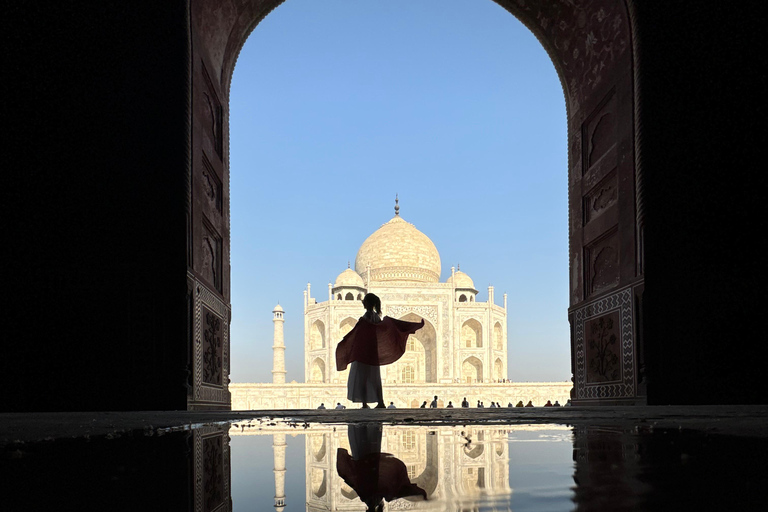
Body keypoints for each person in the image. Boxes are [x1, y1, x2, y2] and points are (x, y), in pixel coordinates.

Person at [336, 293, 424, 409]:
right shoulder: (377, 317)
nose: (363, 302)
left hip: (363, 353)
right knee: (375, 379)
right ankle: (381, 402)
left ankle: (364, 404)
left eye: (365, 301)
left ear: (367, 303)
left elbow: (356, 333)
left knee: (362, 378)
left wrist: (345, 341)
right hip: (372, 352)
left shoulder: (365, 318)